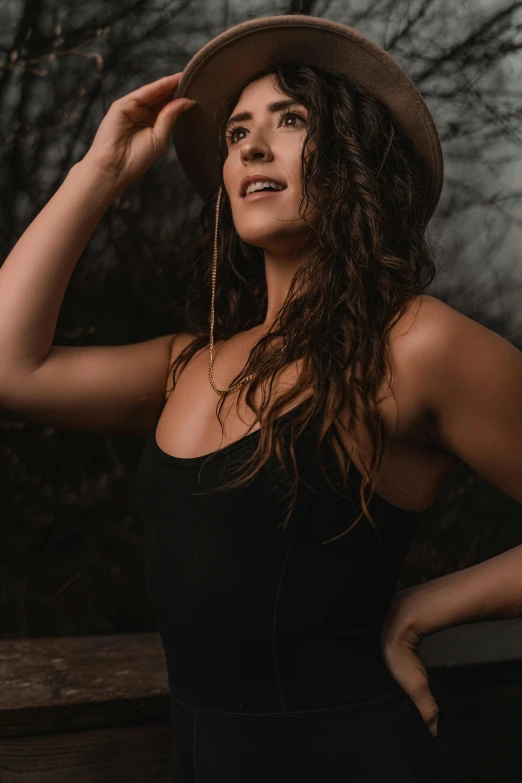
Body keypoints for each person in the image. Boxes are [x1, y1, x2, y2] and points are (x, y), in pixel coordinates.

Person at [1, 13, 521, 783]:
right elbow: (12, 365)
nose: (251, 145)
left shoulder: (418, 346)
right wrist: (100, 171)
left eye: (291, 120)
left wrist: (422, 608)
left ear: (351, 157)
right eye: (237, 131)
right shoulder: (188, 365)